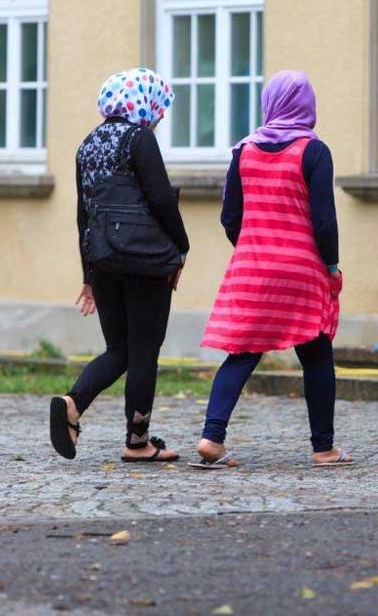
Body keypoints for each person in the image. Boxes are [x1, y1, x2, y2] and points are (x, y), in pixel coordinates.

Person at [192, 70, 352, 469]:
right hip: (302, 269)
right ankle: (323, 448)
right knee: (316, 355)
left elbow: (230, 217)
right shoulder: (314, 152)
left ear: (270, 103)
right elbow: (324, 220)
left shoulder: (243, 151)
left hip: (254, 268)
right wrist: (331, 265)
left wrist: (252, 248)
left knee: (242, 352)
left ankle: (212, 437)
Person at [50, 68, 188, 463]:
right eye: (159, 107)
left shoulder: (87, 145)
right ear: (144, 103)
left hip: (102, 260)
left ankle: (73, 403)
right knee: (145, 350)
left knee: (119, 349)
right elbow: (161, 200)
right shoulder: (138, 139)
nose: (160, 117)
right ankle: (137, 441)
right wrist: (181, 247)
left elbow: (83, 215)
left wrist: (88, 275)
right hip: (145, 261)